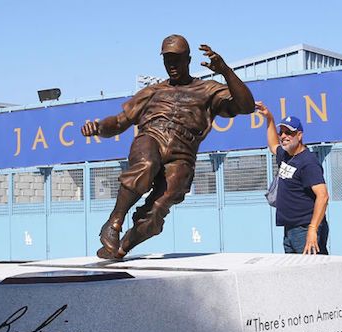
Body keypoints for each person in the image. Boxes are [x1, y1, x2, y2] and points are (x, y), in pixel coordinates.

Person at [81, 34, 255, 259]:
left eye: (177, 59)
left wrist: (225, 71)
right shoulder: (153, 91)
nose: (171, 65)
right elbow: (120, 121)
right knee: (147, 164)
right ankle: (114, 223)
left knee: (156, 213)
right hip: (152, 137)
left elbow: (247, 106)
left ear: (188, 59)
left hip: (182, 154)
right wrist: (98, 127)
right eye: (167, 60)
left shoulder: (208, 89)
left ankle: (122, 247)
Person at [255, 101, 329, 254]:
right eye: (281, 132)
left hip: (304, 228)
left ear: (299, 135)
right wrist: (269, 118)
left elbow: (323, 196)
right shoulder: (285, 155)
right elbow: (273, 145)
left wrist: (312, 229)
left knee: (312, 273)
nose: (283, 136)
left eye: (289, 133)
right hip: (290, 229)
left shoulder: (308, 162)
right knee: (295, 274)